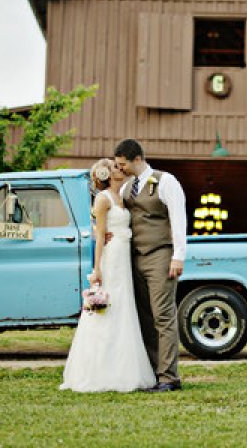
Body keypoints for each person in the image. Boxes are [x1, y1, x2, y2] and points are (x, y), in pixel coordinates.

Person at [60, 158, 156, 392]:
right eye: (115, 167)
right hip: (111, 258)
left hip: (124, 257)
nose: (120, 169)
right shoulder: (103, 200)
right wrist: (97, 268)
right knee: (108, 308)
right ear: (106, 174)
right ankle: (98, 371)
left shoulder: (121, 197)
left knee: (124, 308)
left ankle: (124, 367)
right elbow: (100, 235)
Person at [114, 139, 187, 392]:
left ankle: (169, 377)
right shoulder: (126, 188)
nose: (120, 169)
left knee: (163, 316)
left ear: (137, 159)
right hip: (135, 258)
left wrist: (178, 256)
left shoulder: (166, 181)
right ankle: (155, 372)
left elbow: (179, 219)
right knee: (144, 318)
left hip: (160, 256)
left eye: (123, 164)